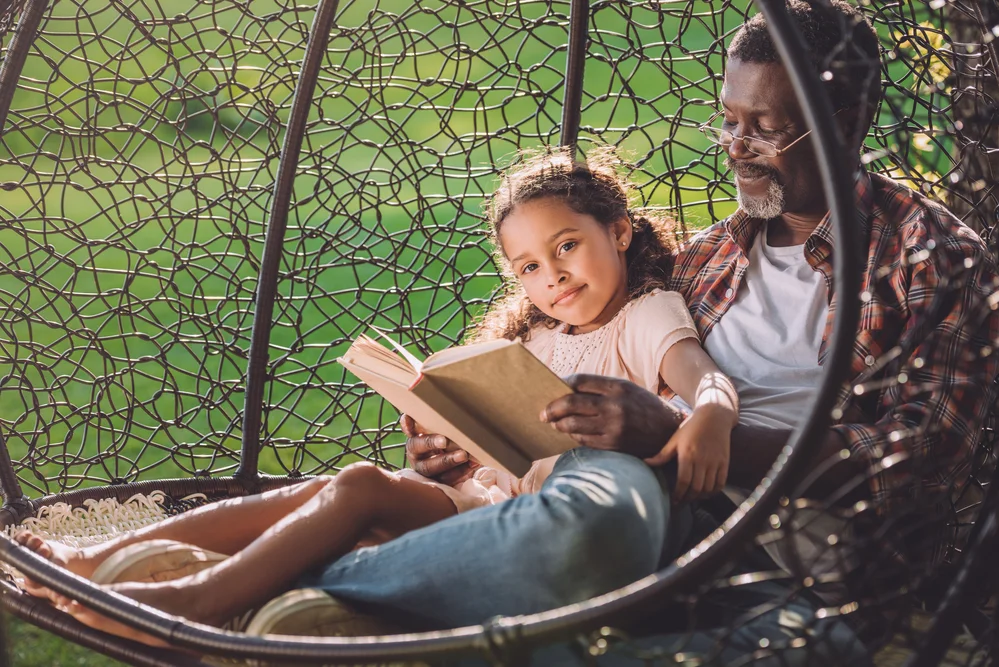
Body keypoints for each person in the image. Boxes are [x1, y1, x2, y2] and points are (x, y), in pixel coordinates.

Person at [13, 148, 741, 645]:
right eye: (527, 265)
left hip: (536, 526)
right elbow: (491, 451)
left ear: (618, 230)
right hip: (482, 501)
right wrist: (442, 450)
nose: (551, 274)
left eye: (566, 246)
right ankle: (95, 555)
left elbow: (698, 373)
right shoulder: (535, 339)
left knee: (358, 490)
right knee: (344, 486)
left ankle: (193, 599)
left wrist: (709, 413)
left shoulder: (643, 315)